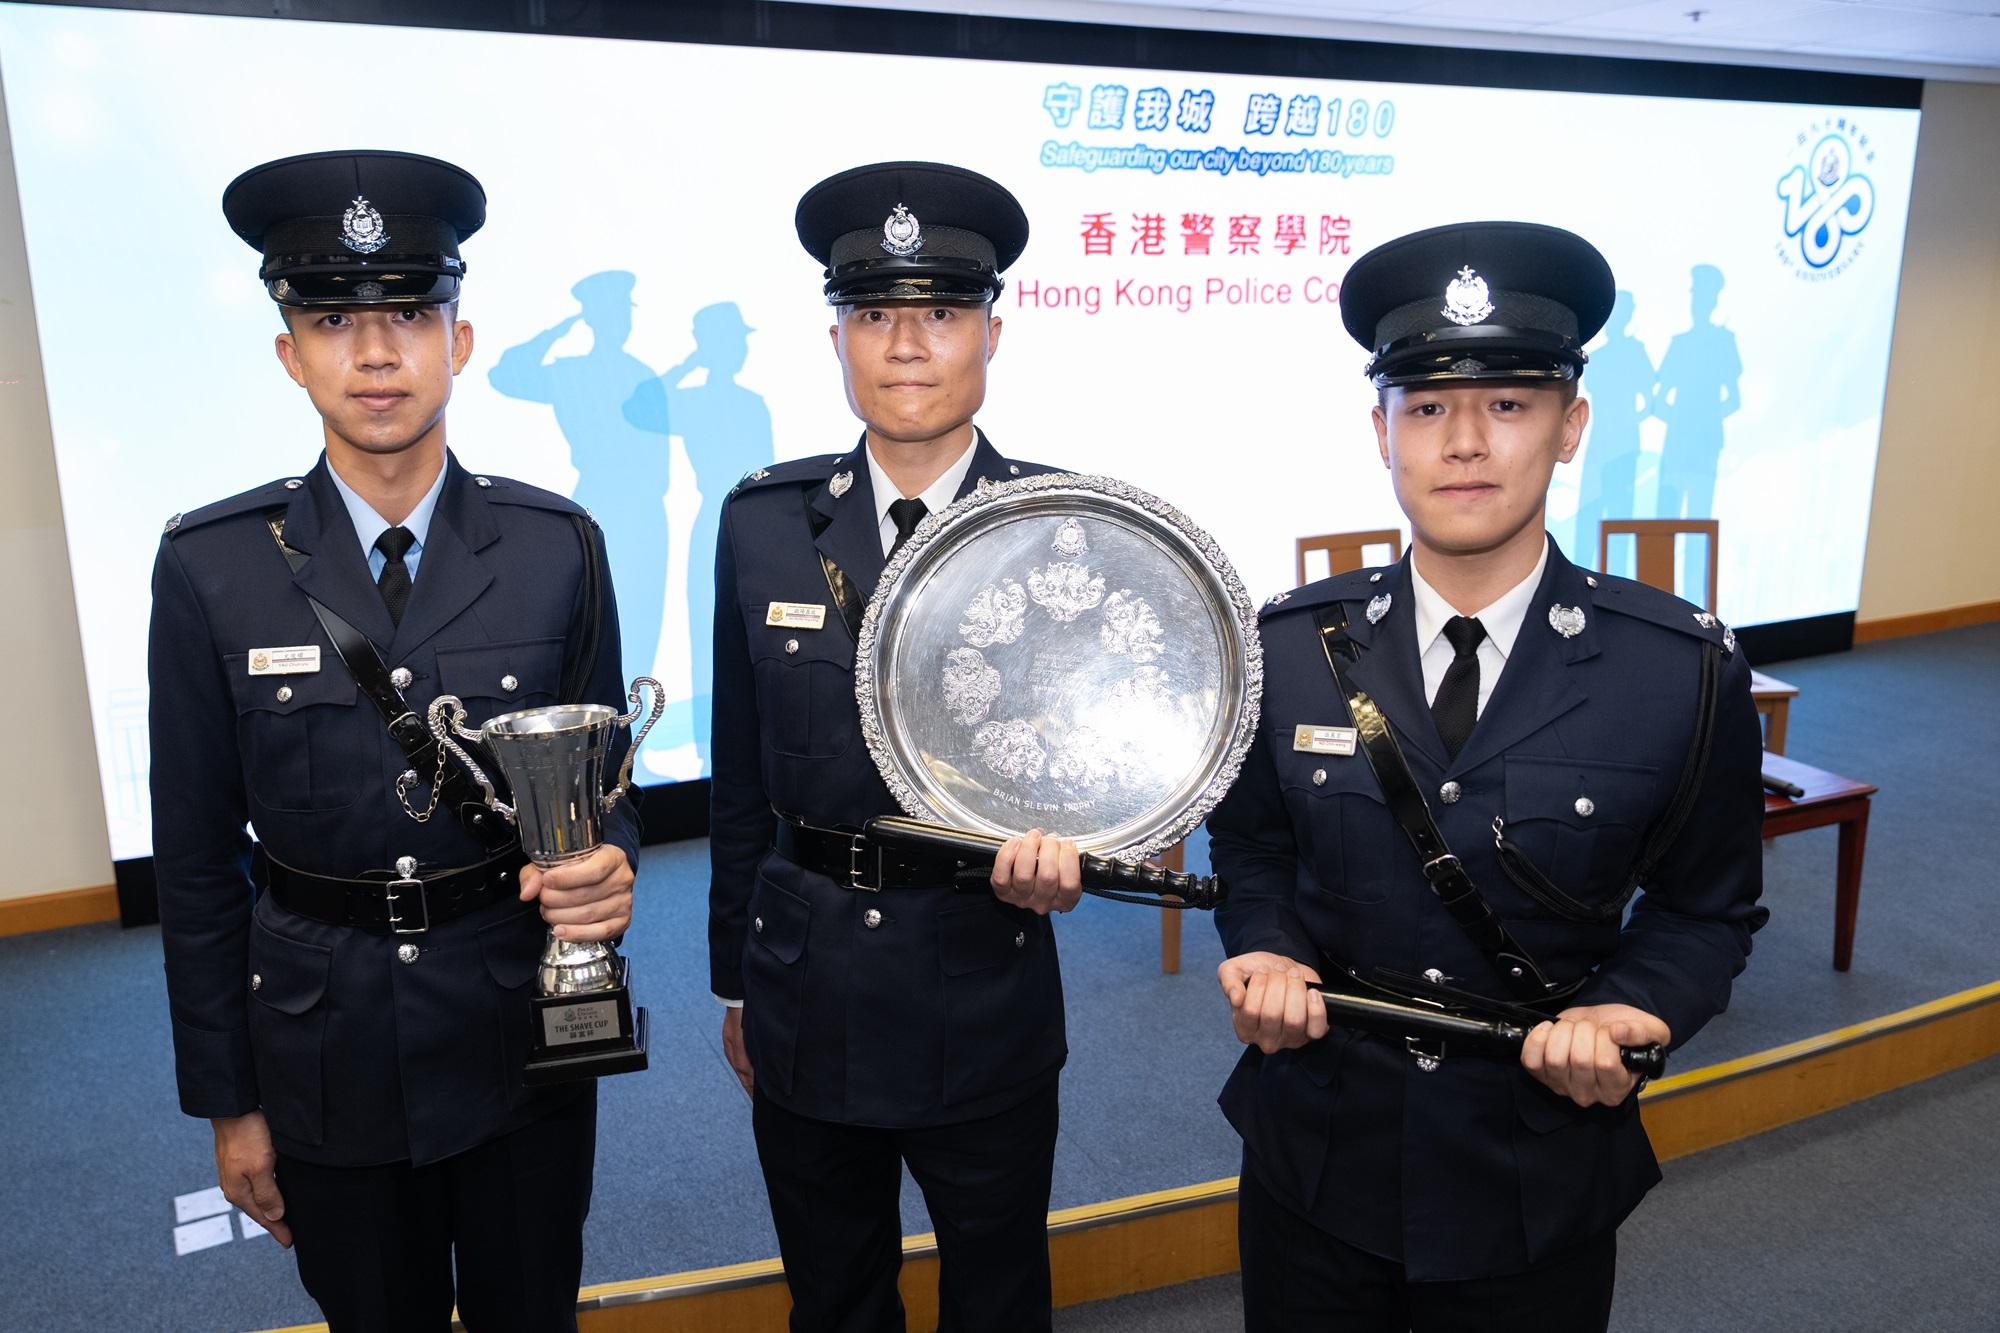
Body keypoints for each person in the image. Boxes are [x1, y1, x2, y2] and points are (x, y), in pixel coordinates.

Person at [1207, 221, 1767, 1332]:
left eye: (1507, 403)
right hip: (1318, 1155)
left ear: (1571, 427)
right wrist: (1264, 942)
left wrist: (1632, 1009)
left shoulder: (1677, 670)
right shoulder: (1287, 648)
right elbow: (1254, 846)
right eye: (1425, 409)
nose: (1463, 441)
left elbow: (1705, 909)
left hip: (1532, 1171)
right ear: (1381, 431)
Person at [150, 149, 639, 1331]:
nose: (376, 353)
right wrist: (228, 1102)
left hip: (512, 1028)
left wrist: (610, 859)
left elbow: (604, 783)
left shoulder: (556, 545)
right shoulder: (213, 568)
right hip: (326, 1049)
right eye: (333, 320)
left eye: (411, 315)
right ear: (290, 354)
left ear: (458, 341)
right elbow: (196, 861)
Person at [707, 161, 1082, 1332]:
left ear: (991, 333)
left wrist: (1081, 846)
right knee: (834, 1296)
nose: (907, 345)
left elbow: (1101, 758)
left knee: (998, 1294)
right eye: (873, 314)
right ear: (836, 338)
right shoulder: (763, 522)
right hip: (807, 978)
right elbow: (739, 770)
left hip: (982, 972)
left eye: (942, 314)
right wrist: (733, 978)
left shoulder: (1062, 529)